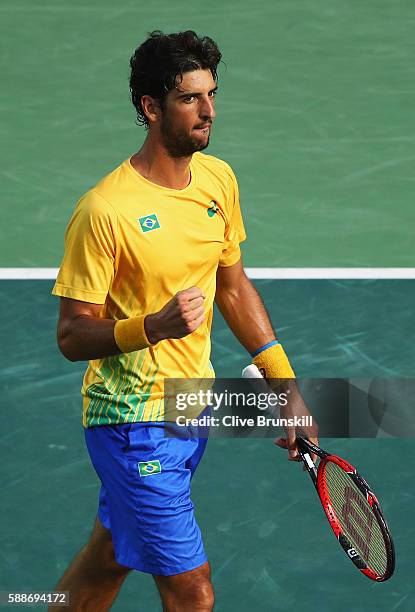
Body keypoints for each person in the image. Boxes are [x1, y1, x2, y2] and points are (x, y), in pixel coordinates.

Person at [50, 30, 317, 612]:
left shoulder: (218, 180)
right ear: (151, 108)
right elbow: (71, 334)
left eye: (212, 95)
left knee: (109, 558)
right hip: (132, 423)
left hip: (188, 404)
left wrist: (285, 386)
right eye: (190, 99)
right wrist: (148, 327)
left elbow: (232, 284)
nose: (209, 112)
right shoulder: (105, 212)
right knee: (193, 594)